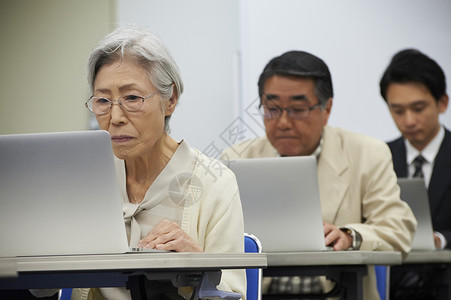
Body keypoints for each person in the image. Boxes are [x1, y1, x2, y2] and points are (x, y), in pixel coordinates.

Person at [32, 25, 246, 300]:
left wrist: (198, 269)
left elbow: (234, 294)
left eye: (131, 98)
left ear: (170, 100)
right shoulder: (85, 180)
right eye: (103, 100)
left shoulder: (215, 183)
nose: (116, 116)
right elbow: (42, 289)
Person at [221, 50, 417, 300]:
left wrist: (350, 236)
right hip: (262, 292)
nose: (282, 122)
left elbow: (398, 230)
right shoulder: (236, 158)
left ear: (327, 109)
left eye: (297, 109)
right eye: (271, 109)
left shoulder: (367, 153)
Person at [379, 48, 450, 299]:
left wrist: (441, 239)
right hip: (391, 285)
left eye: (418, 108)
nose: (409, 121)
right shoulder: (379, 157)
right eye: (397, 111)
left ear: (443, 102)